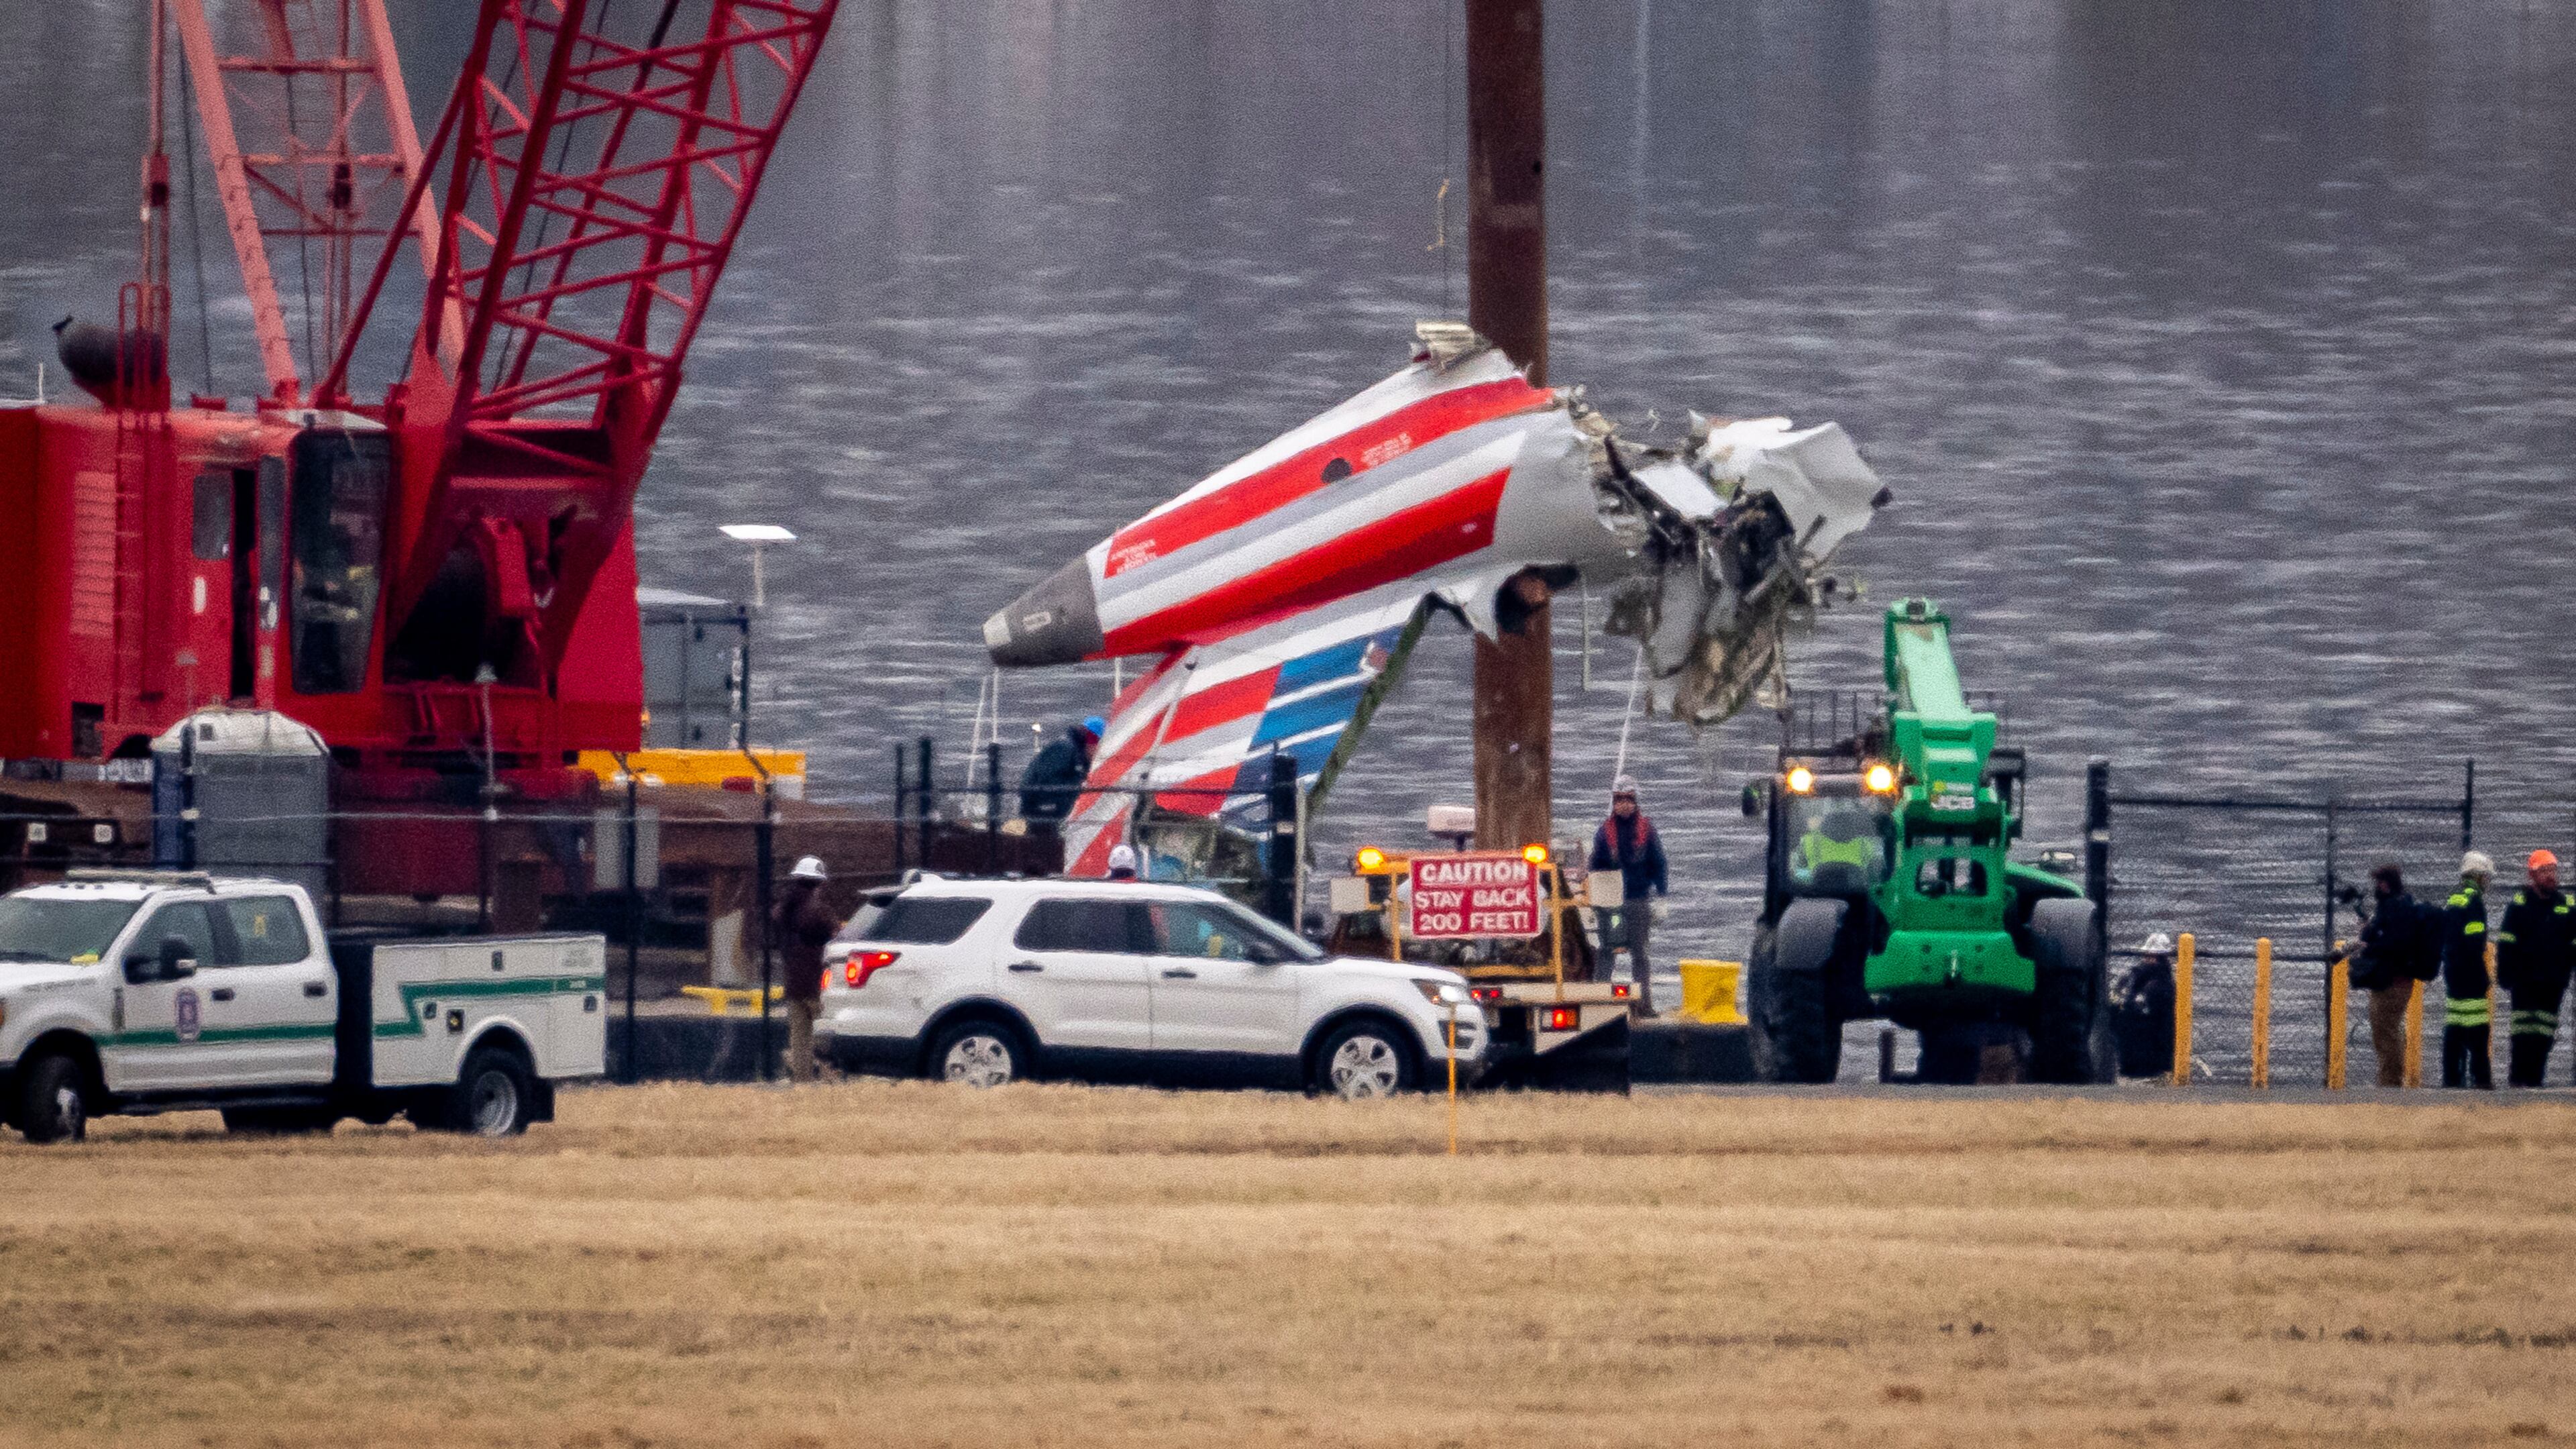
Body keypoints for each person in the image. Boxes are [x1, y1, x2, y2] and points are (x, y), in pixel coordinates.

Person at [2346, 863, 2434, 1088]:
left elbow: (2394, 944)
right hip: (2392, 981)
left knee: (2386, 1035)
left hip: (2393, 983)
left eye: (2378, 882)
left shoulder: (2396, 909)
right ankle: (2390, 1081)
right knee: (2388, 1032)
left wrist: (2369, 946)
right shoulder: (2395, 907)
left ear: (2385, 884)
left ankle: (2390, 1086)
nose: (2376, 887)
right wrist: (2370, 932)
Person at [1588, 775, 1668, 1010]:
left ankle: (1645, 1005)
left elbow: (1659, 864)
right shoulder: (1604, 834)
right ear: (1614, 802)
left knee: (1641, 954)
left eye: (1629, 799)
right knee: (1607, 950)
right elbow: (1595, 866)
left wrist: (1662, 897)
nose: (1624, 804)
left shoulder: (1647, 831)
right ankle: (1599, 1001)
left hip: (1638, 902)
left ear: (1636, 802)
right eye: (1620, 799)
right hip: (1611, 905)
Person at [2496, 849, 2575, 1088]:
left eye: (2553, 870)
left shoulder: (2567, 905)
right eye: (2545, 871)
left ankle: (2534, 1084)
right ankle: (2518, 1083)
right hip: (2524, 981)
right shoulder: (2519, 905)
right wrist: (2505, 974)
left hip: (2552, 982)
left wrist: (2566, 968)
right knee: (2522, 1034)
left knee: (2544, 1035)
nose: (2551, 876)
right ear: (2532, 875)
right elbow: (2507, 941)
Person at [771, 855, 840, 1083]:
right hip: (817, 983)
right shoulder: (819, 911)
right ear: (819, 883)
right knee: (828, 1032)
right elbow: (838, 937)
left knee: (799, 1039)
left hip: (793, 982)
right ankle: (832, 1077)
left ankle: (802, 1084)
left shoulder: (783, 911)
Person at [2439, 851, 2497, 1089]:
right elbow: (2475, 941)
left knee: (2454, 1030)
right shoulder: (2474, 902)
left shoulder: (2454, 898)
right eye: (2486, 877)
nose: (2487, 882)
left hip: (2453, 973)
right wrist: (2483, 976)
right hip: (2470, 975)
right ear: (2479, 876)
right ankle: (2481, 1081)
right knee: (2478, 1031)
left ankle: (2452, 1080)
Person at [1018, 715, 1104, 867]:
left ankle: (1040, 867)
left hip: (1050, 809)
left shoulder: (1073, 751)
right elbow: (1047, 777)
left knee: (1044, 844)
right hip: (1042, 807)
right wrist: (1074, 788)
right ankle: (1039, 869)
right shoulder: (1065, 749)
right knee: (1043, 844)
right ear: (1093, 740)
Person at [2113, 932, 2178, 1079]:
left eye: (2152, 957)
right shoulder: (2136, 976)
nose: (2148, 959)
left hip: (2149, 1055)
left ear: (2161, 958)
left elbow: (2145, 1013)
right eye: (2147, 956)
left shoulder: (2160, 985)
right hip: (2136, 1052)